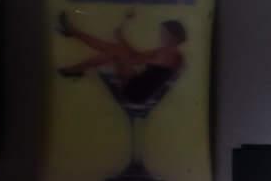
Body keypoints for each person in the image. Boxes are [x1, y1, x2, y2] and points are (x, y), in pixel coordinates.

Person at [56, 10, 187, 111]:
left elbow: (135, 59)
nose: (161, 37)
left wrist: (120, 38)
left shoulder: (170, 54)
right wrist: (121, 38)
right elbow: (136, 55)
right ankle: (73, 39)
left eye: (164, 34)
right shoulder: (166, 52)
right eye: (161, 33)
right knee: (114, 50)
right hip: (138, 85)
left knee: (115, 51)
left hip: (136, 91)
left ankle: (74, 55)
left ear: (174, 36)